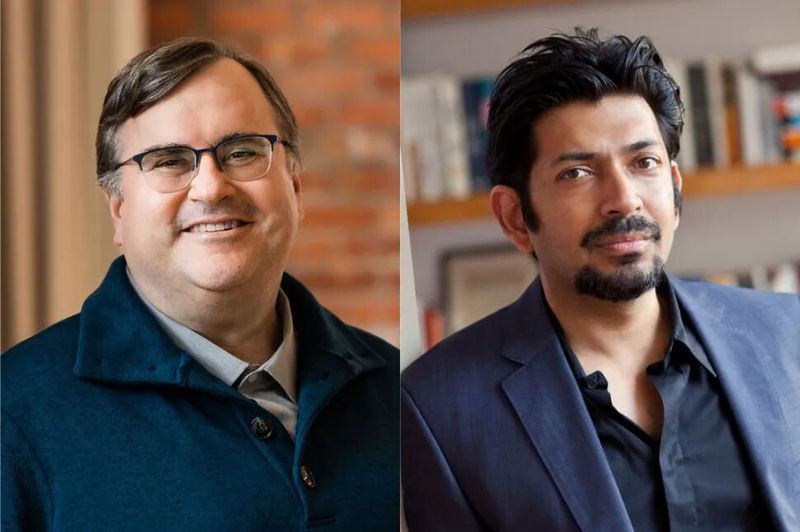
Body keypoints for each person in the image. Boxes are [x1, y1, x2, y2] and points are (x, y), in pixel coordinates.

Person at [402, 29, 799, 531]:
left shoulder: (787, 333)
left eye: (644, 163)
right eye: (577, 173)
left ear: (675, 190)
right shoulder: (438, 407)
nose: (624, 199)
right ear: (515, 217)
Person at [2, 38, 399, 531]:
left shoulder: (397, 387)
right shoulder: (14, 414)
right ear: (119, 210)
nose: (211, 187)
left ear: (295, 189)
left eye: (242, 152)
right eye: (168, 161)